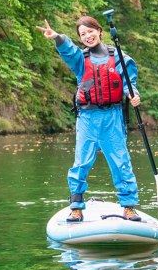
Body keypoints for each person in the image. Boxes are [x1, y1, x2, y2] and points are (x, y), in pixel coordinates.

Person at [37, 16, 142, 223]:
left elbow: (129, 81)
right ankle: (76, 206)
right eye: (82, 34)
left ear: (99, 31)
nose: (87, 36)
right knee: (81, 162)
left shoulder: (119, 56)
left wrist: (133, 94)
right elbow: (68, 50)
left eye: (90, 31)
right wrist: (57, 37)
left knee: (120, 162)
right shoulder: (80, 60)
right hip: (87, 117)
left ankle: (129, 206)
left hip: (112, 116)